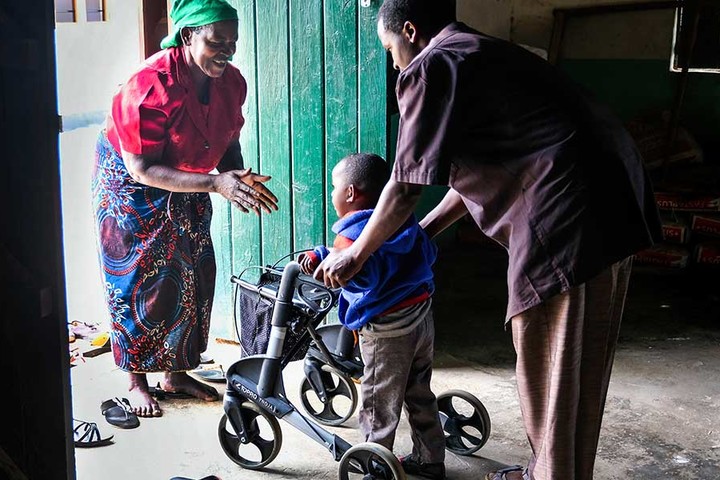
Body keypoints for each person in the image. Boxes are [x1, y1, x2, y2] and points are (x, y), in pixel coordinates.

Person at [313, 1, 663, 479]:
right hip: (615, 197)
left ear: (410, 32)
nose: (394, 62)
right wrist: (419, 231)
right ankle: (553, 469)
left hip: (564, 215)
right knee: (579, 365)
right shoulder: (484, 54)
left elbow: (406, 184)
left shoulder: (431, 66)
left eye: (391, 48)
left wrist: (358, 251)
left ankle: (551, 474)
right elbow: (472, 174)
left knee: (550, 367)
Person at [92, 0, 278, 418]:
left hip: (187, 172)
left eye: (232, 41)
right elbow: (140, 167)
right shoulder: (150, 85)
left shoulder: (232, 83)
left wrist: (236, 178)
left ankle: (174, 373)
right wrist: (216, 183)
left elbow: (228, 142)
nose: (226, 50)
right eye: (216, 41)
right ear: (189, 35)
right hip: (130, 180)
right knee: (138, 276)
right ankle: (136, 378)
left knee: (192, 266)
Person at [299, 153, 447, 480]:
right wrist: (325, 255)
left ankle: (376, 467)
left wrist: (331, 260)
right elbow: (423, 252)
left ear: (350, 193)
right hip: (421, 319)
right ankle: (430, 458)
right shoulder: (402, 220)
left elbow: (359, 270)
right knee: (418, 390)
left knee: (378, 404)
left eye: (334, 187)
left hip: (387, 332)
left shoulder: (351, 234)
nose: (332, 193)